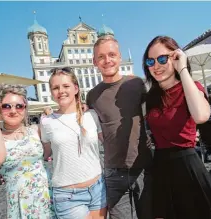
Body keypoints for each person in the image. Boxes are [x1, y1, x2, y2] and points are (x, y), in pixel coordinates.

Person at [143, 35, 211, 219]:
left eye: (162, 58)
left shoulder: (191, 87)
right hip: (159, 168)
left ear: (175, 57)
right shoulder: (150, 97)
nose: (156, 66)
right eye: (151, 61)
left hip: (187, 166)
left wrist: (182, 68)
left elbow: (200, 116)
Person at [87, 35, 153, 219]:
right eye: (101, 57)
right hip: (114, 173)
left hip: (144, 166)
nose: (107, 60)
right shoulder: (92, 96)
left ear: (120, 57)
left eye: (111, 54)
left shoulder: (136, 84)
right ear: (94, 62)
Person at [40, 67, 107, 219]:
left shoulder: (92, 115)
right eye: (55, 88)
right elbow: (44, 153)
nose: (61, 91)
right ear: (51, 93)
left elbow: (109, 143)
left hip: (98, 188)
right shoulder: (46, 122)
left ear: (76, 88)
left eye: (66, 86)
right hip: (67, 195)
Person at [0, 84, 55, 219]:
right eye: (6, 106)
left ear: (25, 108)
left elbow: (49, 153)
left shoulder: (36, 130)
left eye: (19, 106)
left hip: (49, 197)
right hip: (20, 203)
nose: (13, 111)